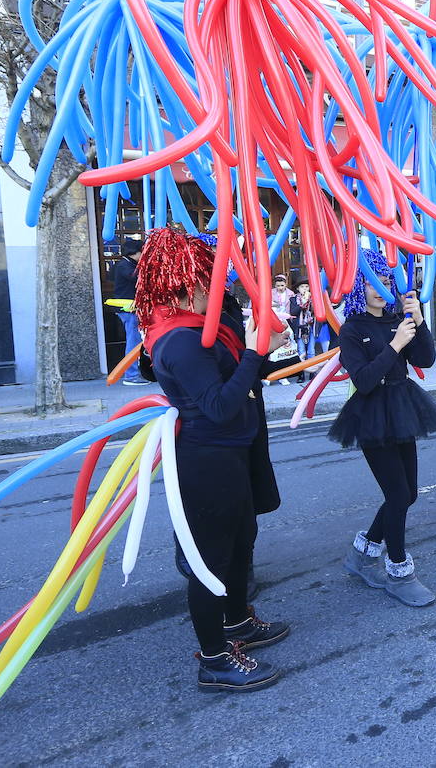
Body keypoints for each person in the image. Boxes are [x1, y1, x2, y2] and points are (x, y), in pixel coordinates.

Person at [135, 229, 289, 693]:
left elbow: (233, 373)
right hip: (206, 458)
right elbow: (219, 406)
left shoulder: (198, 327)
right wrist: (256, 352)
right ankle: (215, 659)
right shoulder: (179, 339)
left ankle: (238, 622)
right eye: (209, 282)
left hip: (231, 453)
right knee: (211, 562)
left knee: (242, 540)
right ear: (186, 284)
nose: (215, 291)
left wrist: (263, 357)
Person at [331, 250, 436, 607]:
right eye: (371, 282)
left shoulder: (398, 318)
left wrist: (419, 321)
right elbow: (364, 380)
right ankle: (398, 571)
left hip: (403, 407)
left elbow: (424, 359)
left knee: (408, 493)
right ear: (358, 287)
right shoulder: (352, 330)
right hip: (370, 414)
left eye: (385, 280)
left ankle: (362, 553)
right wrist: (396, 343)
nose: (380, 289)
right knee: (398, 495)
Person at [112, 240, 147, 386]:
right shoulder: (124, 266)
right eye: (142, 252)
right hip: (128, 310)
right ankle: (131, 376)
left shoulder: (127, 264)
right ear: (135, 252)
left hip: (131, 309)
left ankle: (133, 374)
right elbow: (139, 278)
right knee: (133, 343)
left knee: (135, 342)